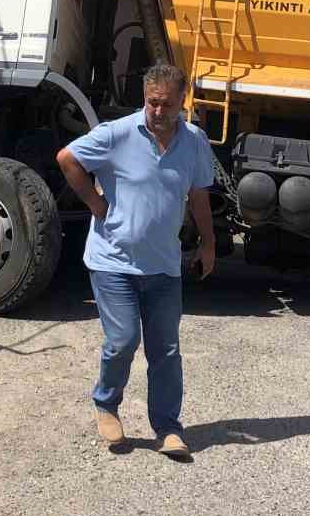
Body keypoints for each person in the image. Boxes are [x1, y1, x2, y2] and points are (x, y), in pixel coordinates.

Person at [56, 63, 216, 459]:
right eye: (152, 102)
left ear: (183, 102)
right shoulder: (118, 134)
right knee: (124, 340)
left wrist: (208, 245)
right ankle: (106, 405)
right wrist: (95, 203)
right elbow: (67, 158)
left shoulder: (194, 141)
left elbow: (198, 196)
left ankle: (168, 428)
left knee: (165, 350)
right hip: (113, 261)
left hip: (163, 265)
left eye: (167, 104)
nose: (158, 111)